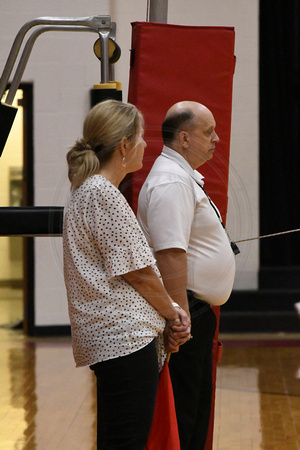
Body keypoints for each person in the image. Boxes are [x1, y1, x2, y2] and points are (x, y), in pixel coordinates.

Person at [63, 99, 191, 450]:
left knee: (118, 438)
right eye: (141, 137)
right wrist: (174, 312)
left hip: (114, 340)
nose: (147, 144)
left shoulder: (89, 189)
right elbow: (138, 273)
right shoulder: (103, 192)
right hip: (124, 340)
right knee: (127, 440)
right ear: (124, 146)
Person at [137, 101, 236, 450]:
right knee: (185, 413)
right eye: (208, 132)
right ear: (183, 138)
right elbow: (170, 253)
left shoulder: (181, 177)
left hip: (194, 311)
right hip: (187, 313)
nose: (216, 139)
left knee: (194, 411)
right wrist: (179, 318)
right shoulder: (170, 180)